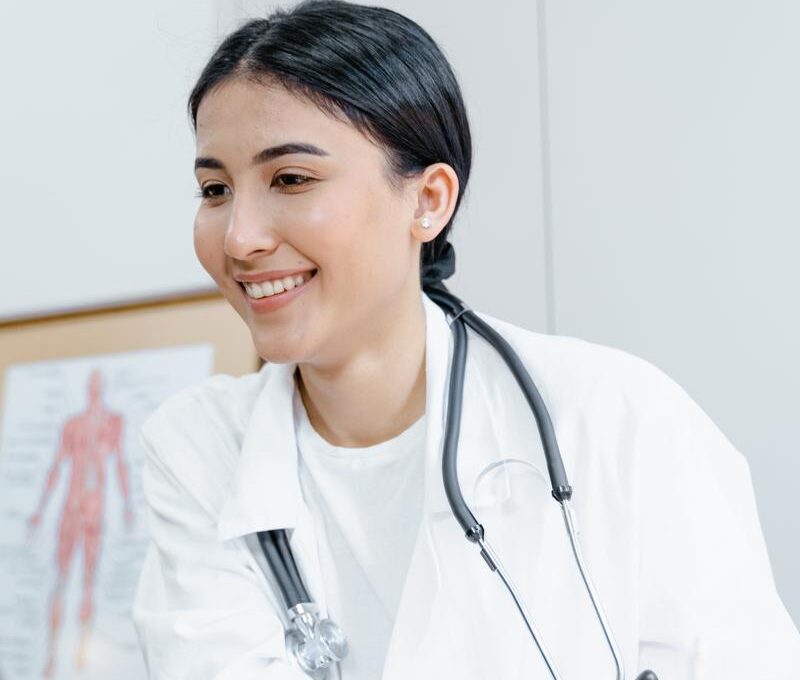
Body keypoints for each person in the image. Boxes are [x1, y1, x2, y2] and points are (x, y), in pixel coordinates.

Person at [131, 1, 800, 678]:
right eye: (214, 189)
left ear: (428, 201)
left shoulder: (614, 418)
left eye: (291, 179)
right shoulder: (200, 449)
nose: (240, 237)